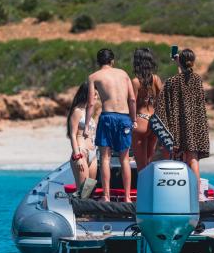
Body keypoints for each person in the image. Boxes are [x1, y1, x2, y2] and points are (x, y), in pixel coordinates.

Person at [155, 48, 210, 201]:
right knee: (193, 160)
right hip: (194, 127)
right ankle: (198, 194)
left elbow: (161, 106)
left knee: (173, 159)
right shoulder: (198, 80)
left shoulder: (172, 82)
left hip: (177, 128)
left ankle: (173, 194)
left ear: (180, 61)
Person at [84, 49, 137, 202]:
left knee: (105, 159)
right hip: (124, 117)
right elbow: (132, 99)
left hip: (107, 117)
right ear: (112, 61)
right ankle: (127, 197)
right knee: (125, 159)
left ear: (98, 62)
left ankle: (106, 196)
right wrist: (133, 119)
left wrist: (87, 124)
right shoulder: (124, 74)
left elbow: (92, 102)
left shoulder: (94, 76)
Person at [131, 48, 163, 171]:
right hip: (154, 121)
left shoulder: (135, 81)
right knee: (149, 163)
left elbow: (132, 102)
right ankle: (149, 189)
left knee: (141, 166)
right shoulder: (156, 79)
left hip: (140, 120)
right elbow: (162, 99)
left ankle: (142, 190)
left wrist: (132, 120)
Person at [67, 82, 98, 190]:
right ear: (87, 94)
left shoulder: (89, 113)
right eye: (94, 94)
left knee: (89, 189)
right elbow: (72, 134)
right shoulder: (77, 111)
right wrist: (77, 157)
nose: (96, 97)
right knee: (83, 190)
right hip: (81, 152)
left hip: (92, 154)